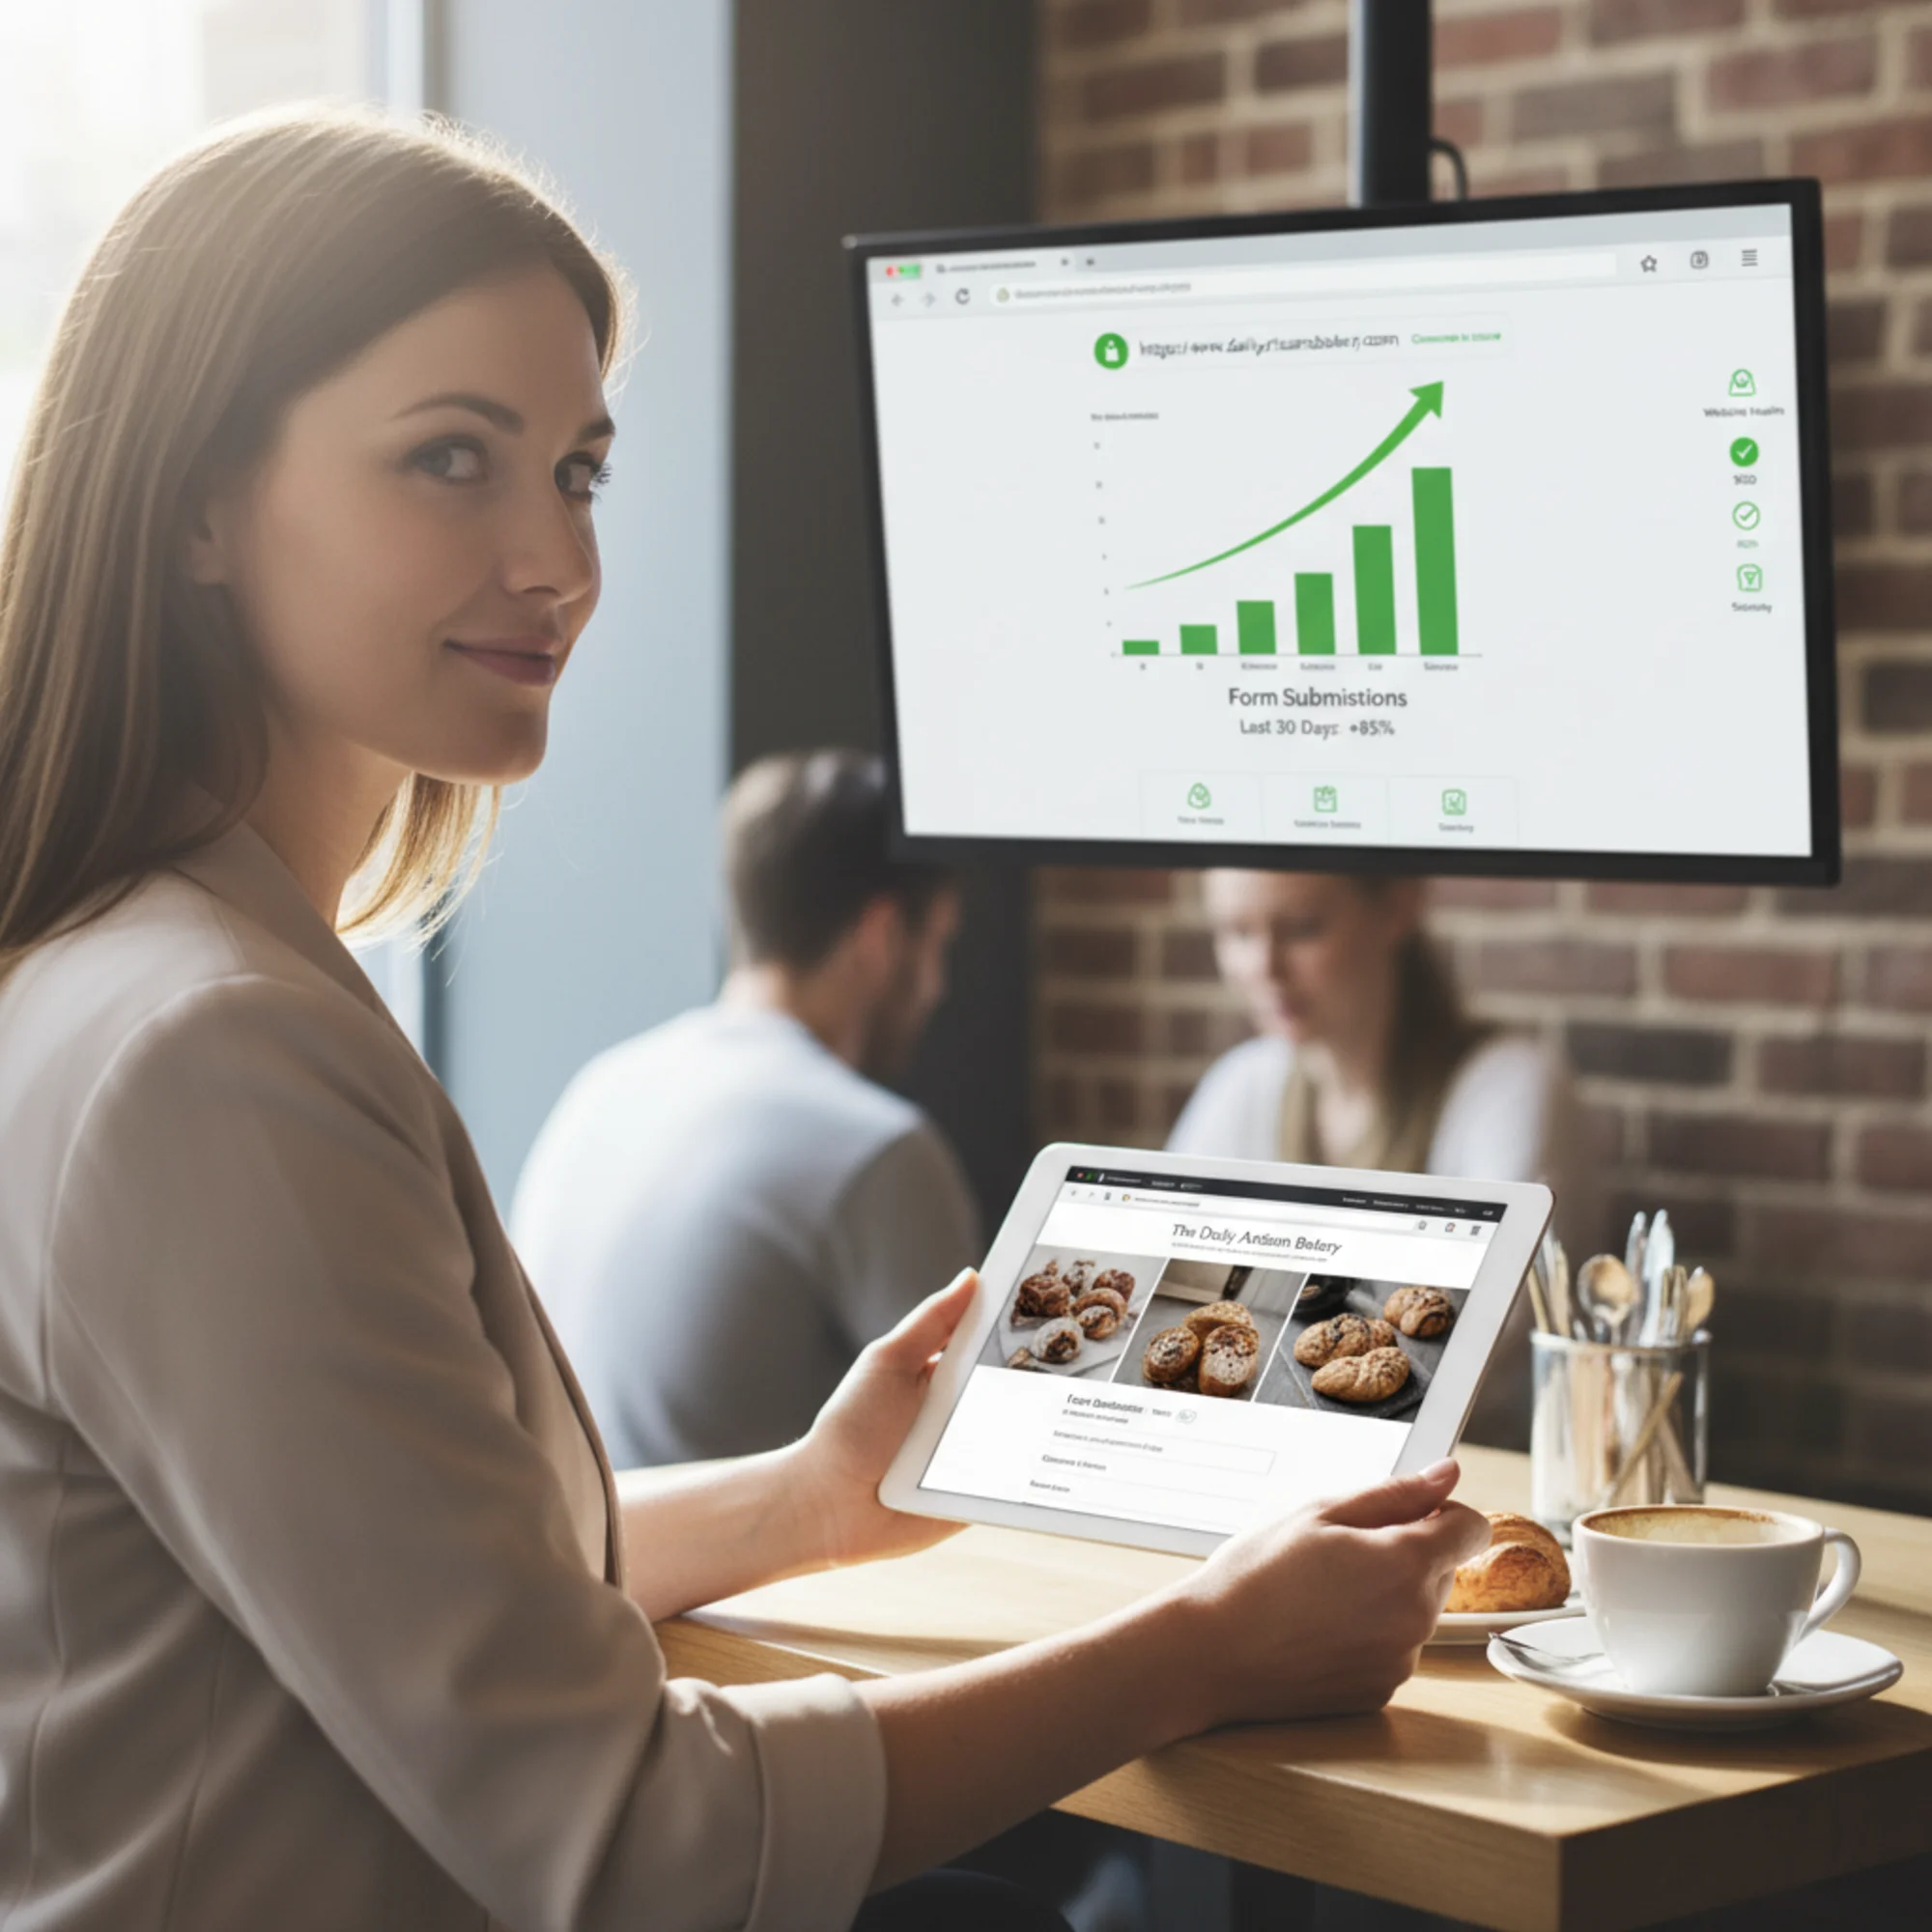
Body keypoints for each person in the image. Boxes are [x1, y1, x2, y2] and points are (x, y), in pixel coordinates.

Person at [0, 111, 1486, 1932]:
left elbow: (415, 1595)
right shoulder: (205, 1052)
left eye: (579, 472)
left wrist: (800, 1502)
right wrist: (1192, 1651)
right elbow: (632, 1844)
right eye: (451, 459)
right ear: (194, 504)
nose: (558, 561)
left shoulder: (146, 979)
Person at [512, 749, 980, 1465]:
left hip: (568, 1563)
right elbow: (970, 1449)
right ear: (883, 934)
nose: (940, 986)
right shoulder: (876, 1148)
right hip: (748, 1579)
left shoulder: (602, 1088)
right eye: (939, 944)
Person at [1168, 870, 1593, 1441]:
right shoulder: (1243, 1085)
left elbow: (1486, 1344)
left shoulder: (1509, 1088)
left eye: (1301, 928)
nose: (1262, 968)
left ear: (1399, 905)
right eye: (1236, 932)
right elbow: (1179, 1265)